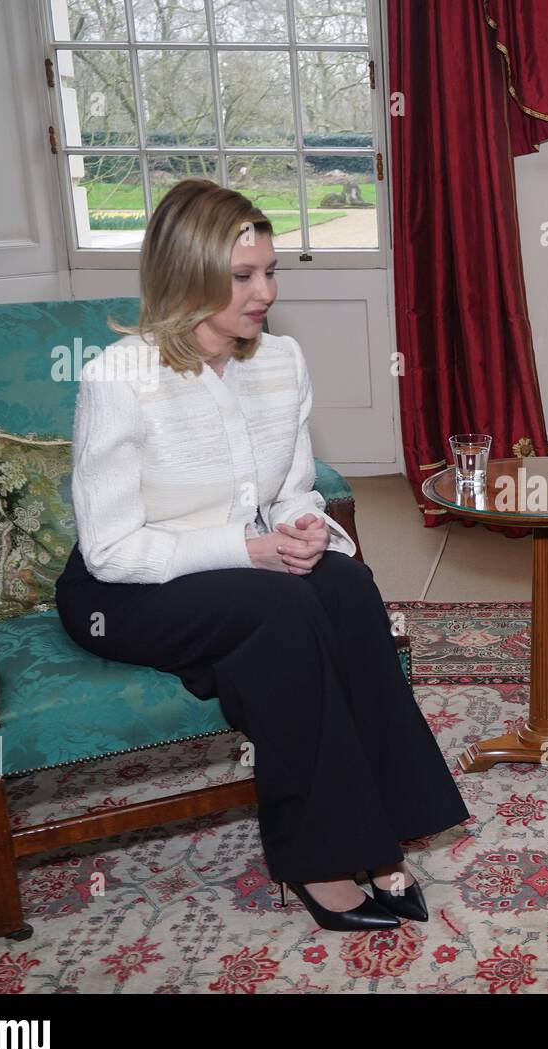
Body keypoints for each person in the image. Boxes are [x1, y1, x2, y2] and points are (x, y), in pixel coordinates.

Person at [55, 179, 470, 932]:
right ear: (187, 273)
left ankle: (384, 828)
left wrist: (305, 527)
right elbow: (110, 549)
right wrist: (248, 549)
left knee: (345, 585)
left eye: (270, 272)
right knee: (280, 612)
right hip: (122, 587)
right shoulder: (118, 378)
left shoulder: (279, 362)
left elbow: (291, 490)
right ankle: (318, 859)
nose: (265, 292)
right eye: (244, 276)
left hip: (241, 569)